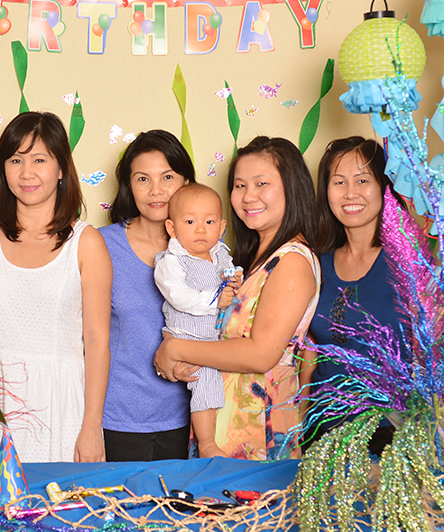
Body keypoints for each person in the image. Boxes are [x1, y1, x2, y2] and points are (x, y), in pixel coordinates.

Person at [300, 136, 444, 452]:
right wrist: (297, 433)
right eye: (339, 182)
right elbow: (309, 355)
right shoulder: (315, 262)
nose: (350, 193)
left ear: (384, 188)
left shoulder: (410, 259)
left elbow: (436, 353)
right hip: (321, 433)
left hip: (389, 435)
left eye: (362, 180)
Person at [153, 136, 321, 460]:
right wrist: (177, 363)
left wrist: (174, 348)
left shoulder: (292, 261)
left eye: (262, 184)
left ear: (292, 188)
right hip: (225, 425)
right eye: (240, 185)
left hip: (257, 430)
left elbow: (261, 354)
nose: (248, 196)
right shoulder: (249, 257)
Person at [0, 111, 112, 463]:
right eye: (16, 160)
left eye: (39, 159)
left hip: (61, 403)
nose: (27, 172)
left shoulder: (86, 242)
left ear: (61, 167)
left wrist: (92, 427)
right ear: (3, 168)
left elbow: (97, 341)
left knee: (61, 511)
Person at [100, 130, 195, 462]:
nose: (156, 190)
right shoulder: (101, 245)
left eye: (167, 177)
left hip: (190, 420)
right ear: (129, 186)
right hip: (115, 420)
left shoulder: (207, 249)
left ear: (186, 182)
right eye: (143, 179)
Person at [153, 183, 239, 458]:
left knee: (219, 385)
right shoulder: (172, 261)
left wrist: (234, 278)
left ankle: (215, 437)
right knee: (205, 382)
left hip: (214, 337)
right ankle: (206, 443)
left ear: (222, 226)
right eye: (190, 222)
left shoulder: (220, 253)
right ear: (171, 228)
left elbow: (230, 273)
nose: (201, 229)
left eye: (209, 221)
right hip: (187, 335)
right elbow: (178, 296)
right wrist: (215, 301)